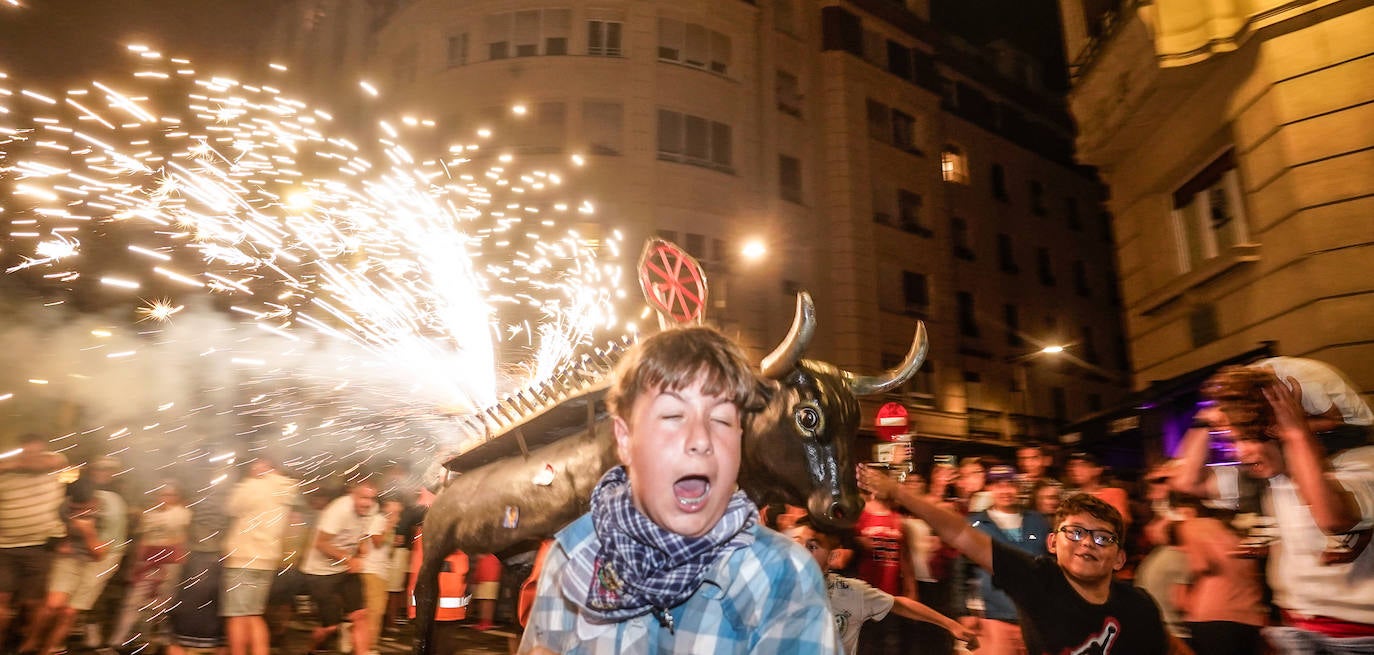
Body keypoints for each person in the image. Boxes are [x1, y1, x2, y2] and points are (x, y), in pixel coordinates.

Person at [518, 326, 839, 653]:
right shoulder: (572, 554)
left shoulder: (784, 579)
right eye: (672, 415)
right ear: (625, 440)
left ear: (739, 440)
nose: (700, 439)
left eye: (721, 420)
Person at [859, 465, 1173, 654]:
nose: (1088, 543)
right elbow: (961, 534)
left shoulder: (1139, 606)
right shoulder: (1037, 580)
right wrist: (898, 492)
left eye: (1102, 537)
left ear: (1119, 558)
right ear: (1053, 543)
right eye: (1075, 532)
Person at [1172, 365, 1374, 652]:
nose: (1240, 452)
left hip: (1357, 635)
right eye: (1233, 439)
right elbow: (1186, 482)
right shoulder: (1270, 480)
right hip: (1296, 628)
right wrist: (1205, 417)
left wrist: (1296, 433)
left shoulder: (1359, 463)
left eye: (1249, 438)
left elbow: (1333, 519)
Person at [791, 516, 976, 655]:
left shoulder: (849, 592)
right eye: (795, 543)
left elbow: (899, 604)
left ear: (832, 557)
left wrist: (951, 625)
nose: (801, 551)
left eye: (812, 547)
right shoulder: (777, 588)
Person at [962, 464, 1052, 655]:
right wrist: (962, 611)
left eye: (1010, 484)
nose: (1005, 490)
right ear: (989, 488)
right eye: (998, 485)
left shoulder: (1038, 521)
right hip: (995, 617)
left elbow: (1052, 565)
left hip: (1037, 618)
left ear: (1018, 487)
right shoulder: (975, 525)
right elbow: (960, 569)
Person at [19, 476, 111, 655]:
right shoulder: (64, 507)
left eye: (83, 509)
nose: (78, 513)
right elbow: (56, 536)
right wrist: (63, 543)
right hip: (70, 557)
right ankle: (30, 644)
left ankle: (47, 650)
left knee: (68, 612)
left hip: (99, 560)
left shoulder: (109, 514)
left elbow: (100, 554)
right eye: (74, 509)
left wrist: (88, 532)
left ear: (94, 501)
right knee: (52, 605)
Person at [221, 455, 296, 655]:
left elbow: (230, 507)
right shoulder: (285, 488)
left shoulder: (253, 486)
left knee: (237, 616)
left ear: (265, 465)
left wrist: (250, 479)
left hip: (243, 558)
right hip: (267, 559)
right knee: (254, 614)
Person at [0, 434, 68, 643]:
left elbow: (45, 463)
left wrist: (11, 464)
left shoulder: (53, 461)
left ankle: (27, 643)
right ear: (21, 448)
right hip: (5, 546)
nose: (32, 454)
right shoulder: (5, 474)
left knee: (31, 603)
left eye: (37, 449)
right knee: (2, 600)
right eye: (28, 449)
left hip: (40, 547)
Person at [109, 480, 191, 649]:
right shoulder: (149, 514)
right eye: (162, 494)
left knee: (164, 601)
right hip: (148, 562)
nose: (165, 498)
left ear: (176, 497)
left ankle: (158, 638)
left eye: (170, 495)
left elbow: (181, 538)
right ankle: (119, 639)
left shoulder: (181, 513)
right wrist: (136, 565)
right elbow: (144, 540)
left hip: (170, 563)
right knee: (133, 601)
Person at [300, 481, 377, 655]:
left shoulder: (371, 509)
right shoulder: (339, 510)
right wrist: (348, 558)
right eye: (363, 498)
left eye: (371, 498)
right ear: (353, 495)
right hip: (320, 573)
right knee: (331, 627)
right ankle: (312, 648)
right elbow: (321, 543)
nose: (368, 503)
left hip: (345, 570)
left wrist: (362, 547)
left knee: (360, 615)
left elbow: (361, 534)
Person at [362, 495, 402, 653]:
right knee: (375, 611)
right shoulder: (378, 519)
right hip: (372, 570)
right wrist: (390, 525)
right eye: (395, 510)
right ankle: (368, 646)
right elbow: (377, 542)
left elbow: (385, 549)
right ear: (386, 507)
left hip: (380, 572)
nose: (398, 515)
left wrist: (393, 539)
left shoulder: (385, 522)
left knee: (375, 611)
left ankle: (359, 639)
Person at [1065, 452, 1132, 534]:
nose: (1075, 469)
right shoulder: (1070, 498)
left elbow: (1120, 523)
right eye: (1072, 465)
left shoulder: (1114, 493)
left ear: (1097, 470)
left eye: (1082, 465)